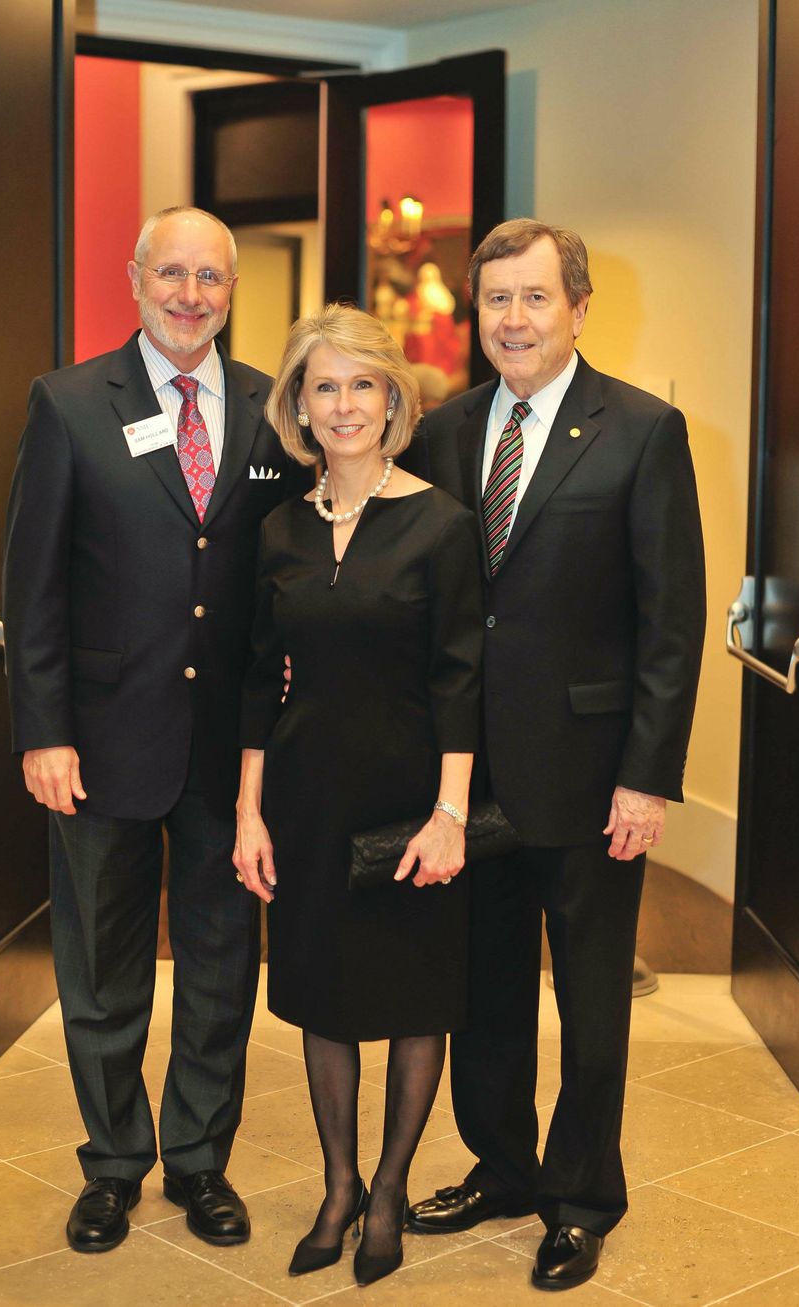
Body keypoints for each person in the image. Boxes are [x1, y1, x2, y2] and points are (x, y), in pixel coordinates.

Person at [405, 219, 706, 1290]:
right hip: (464, 780)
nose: (513, 320)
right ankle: (501, 1164)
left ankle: (579, 1197)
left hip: (589, 777)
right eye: (495, 301)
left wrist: (646, 775)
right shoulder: (439, 434)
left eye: (534, 298)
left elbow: (669, 622)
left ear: (577, 306)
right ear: (473, 313)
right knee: (482, 989)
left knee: (586, 1000)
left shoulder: (639, 429)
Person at [3, 206, 304, 1254]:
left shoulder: (281, 410)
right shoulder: (70, 402)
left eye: (209, 277)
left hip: (233, 753)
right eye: (169, 273)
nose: (189, 294)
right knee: (102, 964)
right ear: (134, 279)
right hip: (97, 739)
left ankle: (197, 1159)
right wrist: (44, 730)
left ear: (231, 289)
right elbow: (31, 583)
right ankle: (114, 1163)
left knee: (223, 962)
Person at [233, 305, 483, 1287]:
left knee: (416, 996)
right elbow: (259, 674)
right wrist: (250, 809)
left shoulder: (441, 522)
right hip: (304, 796)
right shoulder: (280, 527)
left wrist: (450, 813)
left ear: (392, 398)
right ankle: (336, 1185)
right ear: (299, 403)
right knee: (321, 997)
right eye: (323, 385)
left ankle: (387, 1189)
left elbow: (459, 676)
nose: (343, 404)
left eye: (361, 384)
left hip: (410, 797)